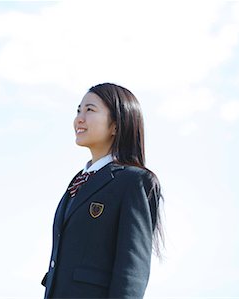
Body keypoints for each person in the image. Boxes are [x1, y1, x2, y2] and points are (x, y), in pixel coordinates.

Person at [41, 83, 164, 299]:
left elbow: (131, 272)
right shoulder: (78, 182)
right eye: (78, 110)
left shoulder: (134, 182)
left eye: (90, 110)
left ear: (116, 125)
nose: (79, 118)